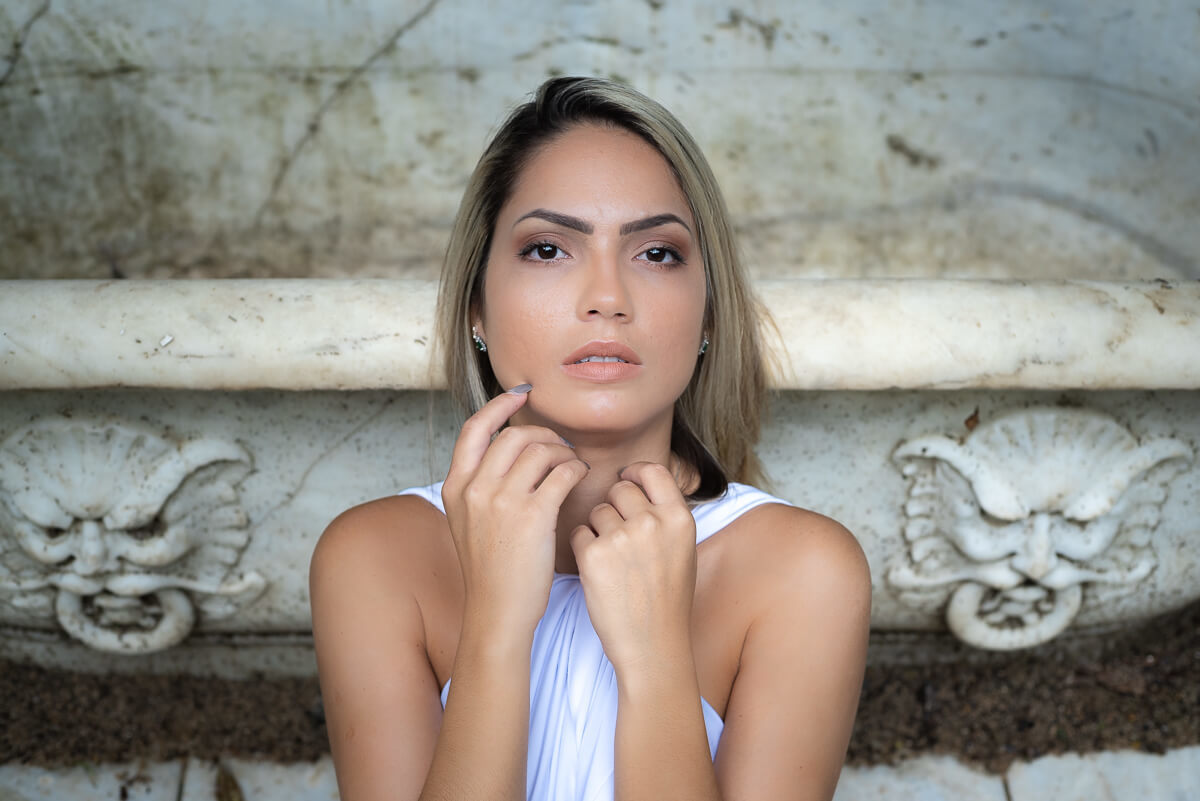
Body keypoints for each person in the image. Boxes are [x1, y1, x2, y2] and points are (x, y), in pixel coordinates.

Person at [309, 76, 871, 801]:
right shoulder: (374, 558)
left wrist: (658, 662)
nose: (607, 296)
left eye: (656, 253)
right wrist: (495, 629)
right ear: (476, 305)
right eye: (548, 249)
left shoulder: (804, 573)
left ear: (706, 315)